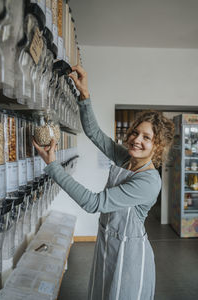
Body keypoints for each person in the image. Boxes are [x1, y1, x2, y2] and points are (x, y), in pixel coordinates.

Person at [33, 65, 174, 300]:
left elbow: (93, 203)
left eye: (146, 138)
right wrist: (84, 96)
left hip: (129, 253)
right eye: (135, 133)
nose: (136, 140)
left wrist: (53, 166)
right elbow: (95, 133)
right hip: (108, 243)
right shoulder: (126, 159)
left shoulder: (148, 181)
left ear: (158, 146)